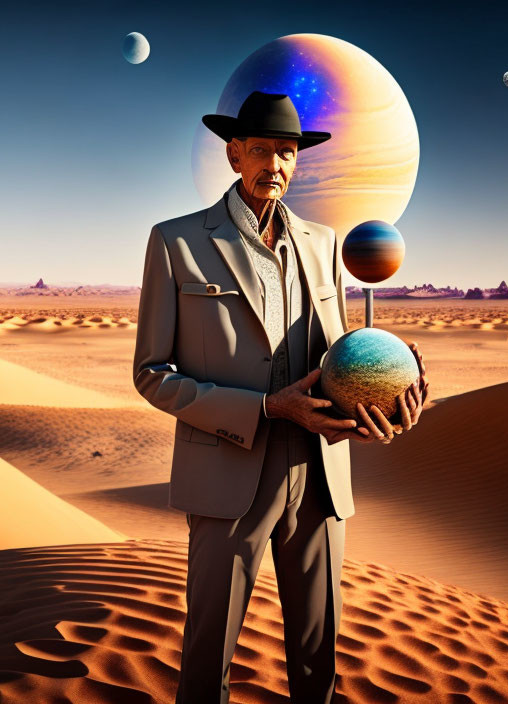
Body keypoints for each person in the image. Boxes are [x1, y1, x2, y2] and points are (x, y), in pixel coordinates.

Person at [132, 90, 429, 704]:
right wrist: (265, 407)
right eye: (262, 150)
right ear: (234, 152)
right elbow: (152, 374)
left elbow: (343, 350)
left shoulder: (324, 244)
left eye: (288, 152)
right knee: (207, 651)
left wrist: (394, 386)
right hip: (228, 471)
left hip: (319, 473)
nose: (276, 165)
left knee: (319, 656)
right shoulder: (177, 241)